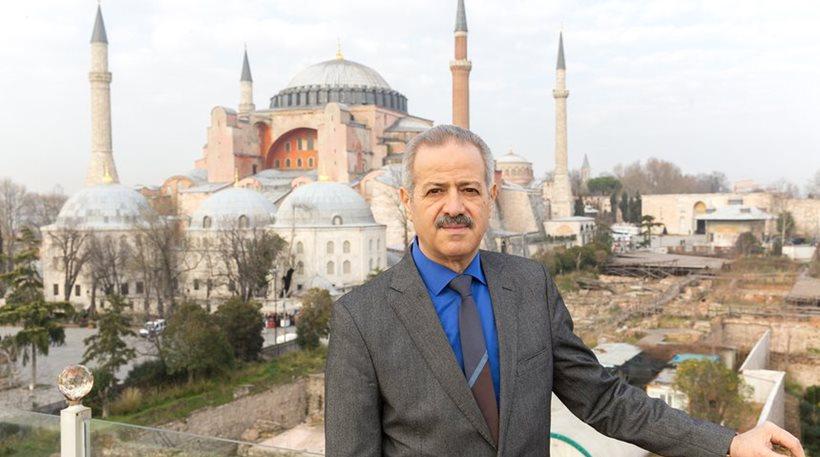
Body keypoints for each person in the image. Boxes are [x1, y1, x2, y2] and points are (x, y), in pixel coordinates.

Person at [324, 125, 804, 457]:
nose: (454, 207)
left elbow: (603, 398)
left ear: (491, 196)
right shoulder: (361, 319)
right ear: (407, 200)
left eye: (469, 189)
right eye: (435, 191)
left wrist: (728, 443)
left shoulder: (529, 286)